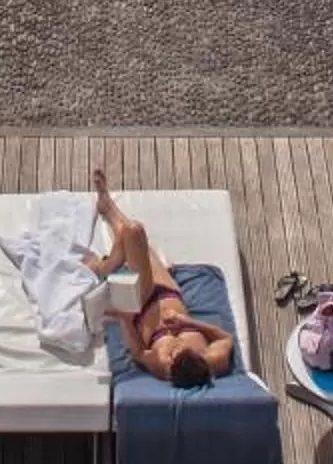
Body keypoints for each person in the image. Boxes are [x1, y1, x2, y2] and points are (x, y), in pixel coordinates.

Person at [90, 165, 234, 389]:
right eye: (182, 350)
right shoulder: (213, 360)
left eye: (174, 353)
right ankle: (108, 260)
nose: (176, 347)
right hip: (168, 290)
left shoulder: (162, 365)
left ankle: (107, 224)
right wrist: (187, 322)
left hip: (142, 301)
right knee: (134, 243)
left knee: (135, 232)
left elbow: (138, 352)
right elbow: (224, 338)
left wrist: (123, 318)